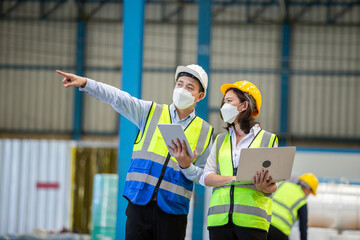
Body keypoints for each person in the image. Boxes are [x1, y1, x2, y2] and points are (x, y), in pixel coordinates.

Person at [56, 64, 214, 240]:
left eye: (189, 87)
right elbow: (118, 98)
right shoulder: (150, 112)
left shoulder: (205, 132)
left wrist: (187, 166)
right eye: (179, 84)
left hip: (173, 211)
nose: (182, 89)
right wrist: (86, 83)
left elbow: (204, 176)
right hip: (139, 203)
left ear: (200, 96)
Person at [200, 80, 278, 240]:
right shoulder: (220, 140)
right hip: (218, 221)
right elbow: (206, 177)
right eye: (223, 101)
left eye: (229, 101)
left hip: (252, 222)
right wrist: (237, 179)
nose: (223, 105)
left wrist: (263, 185)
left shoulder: (267, 139)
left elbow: (273, 185)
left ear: (244, 105)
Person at [267, 173, 319, 240]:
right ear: (308, 189)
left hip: (264, 224)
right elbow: (303, 227)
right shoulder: (302, 200)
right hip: (280, 231)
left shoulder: (282, 184)